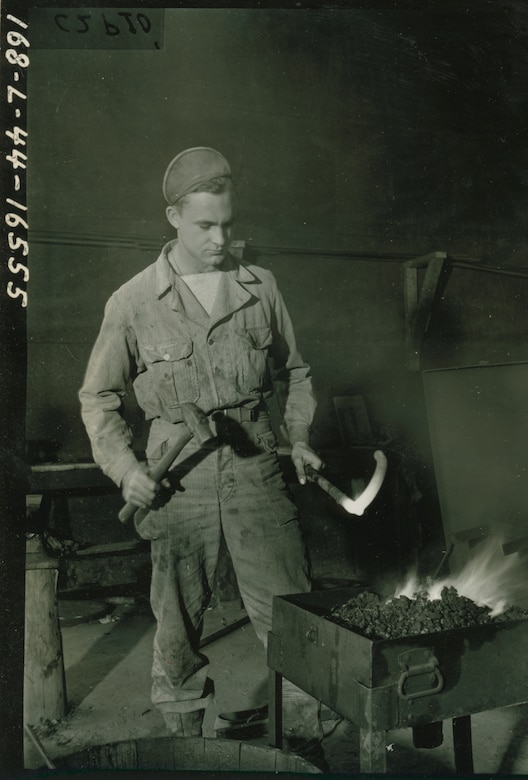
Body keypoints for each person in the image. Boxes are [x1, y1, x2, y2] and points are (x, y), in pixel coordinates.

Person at [79, 146, 326, 765]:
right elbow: (98, 398)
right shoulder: (132, 302)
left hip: (257, 467)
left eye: (227, 224)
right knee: (177, 623)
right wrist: (128, 469)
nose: (220, 239)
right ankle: (184, 748)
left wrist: (297, 438)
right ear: (172, 218)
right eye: (204, 226)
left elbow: (297, 374)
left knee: (292, 615)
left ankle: (303, 744)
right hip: (177, 476)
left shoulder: (259, 287)